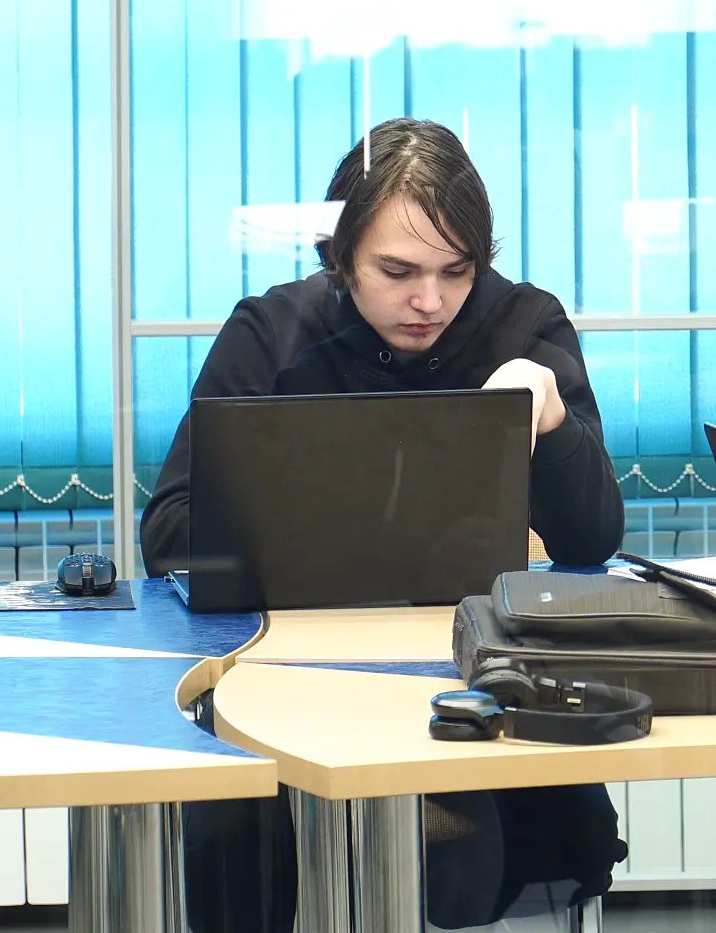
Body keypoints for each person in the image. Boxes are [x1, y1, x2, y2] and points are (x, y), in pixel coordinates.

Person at [141, 118, 627, 931]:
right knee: (233, 840)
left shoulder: (523, 327)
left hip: (469, 680)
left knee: (475, 850)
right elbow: (169, 534)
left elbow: (591, 541)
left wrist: (549, 419)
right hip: (288, 677)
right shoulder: (272, 335)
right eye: (397, 271)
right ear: (340, 257)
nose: (429, 301)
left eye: (456, 271)